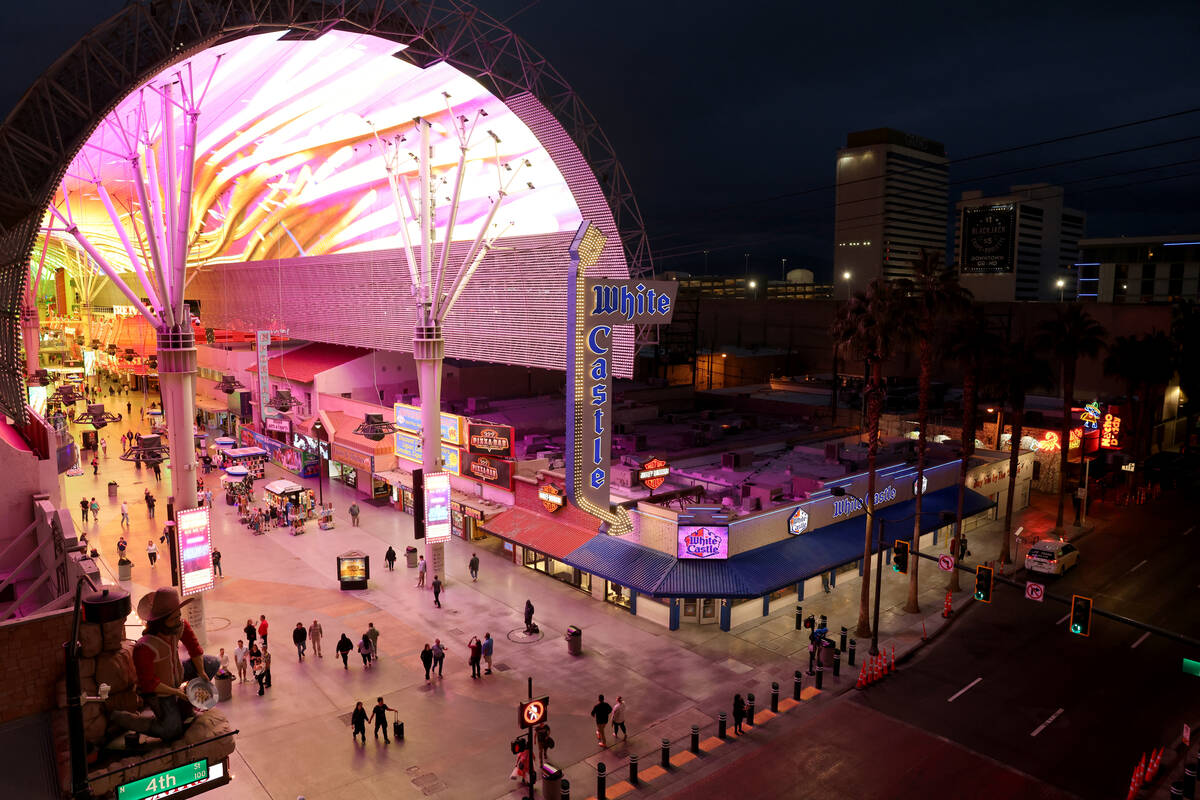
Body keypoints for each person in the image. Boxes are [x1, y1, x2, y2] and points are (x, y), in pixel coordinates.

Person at [110, 587, 219, 741]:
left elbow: (195, 649)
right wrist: (176, 692)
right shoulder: (144, 647)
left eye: (179, 616)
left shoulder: (180, 626)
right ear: (161, 621)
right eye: (174, 618)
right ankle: (128, 720)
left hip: (178, 676)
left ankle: (184, 710)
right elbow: (149, 684)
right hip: (160, 691)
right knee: (171, 730)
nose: (178, 621)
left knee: (212, 663)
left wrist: (201, 672)